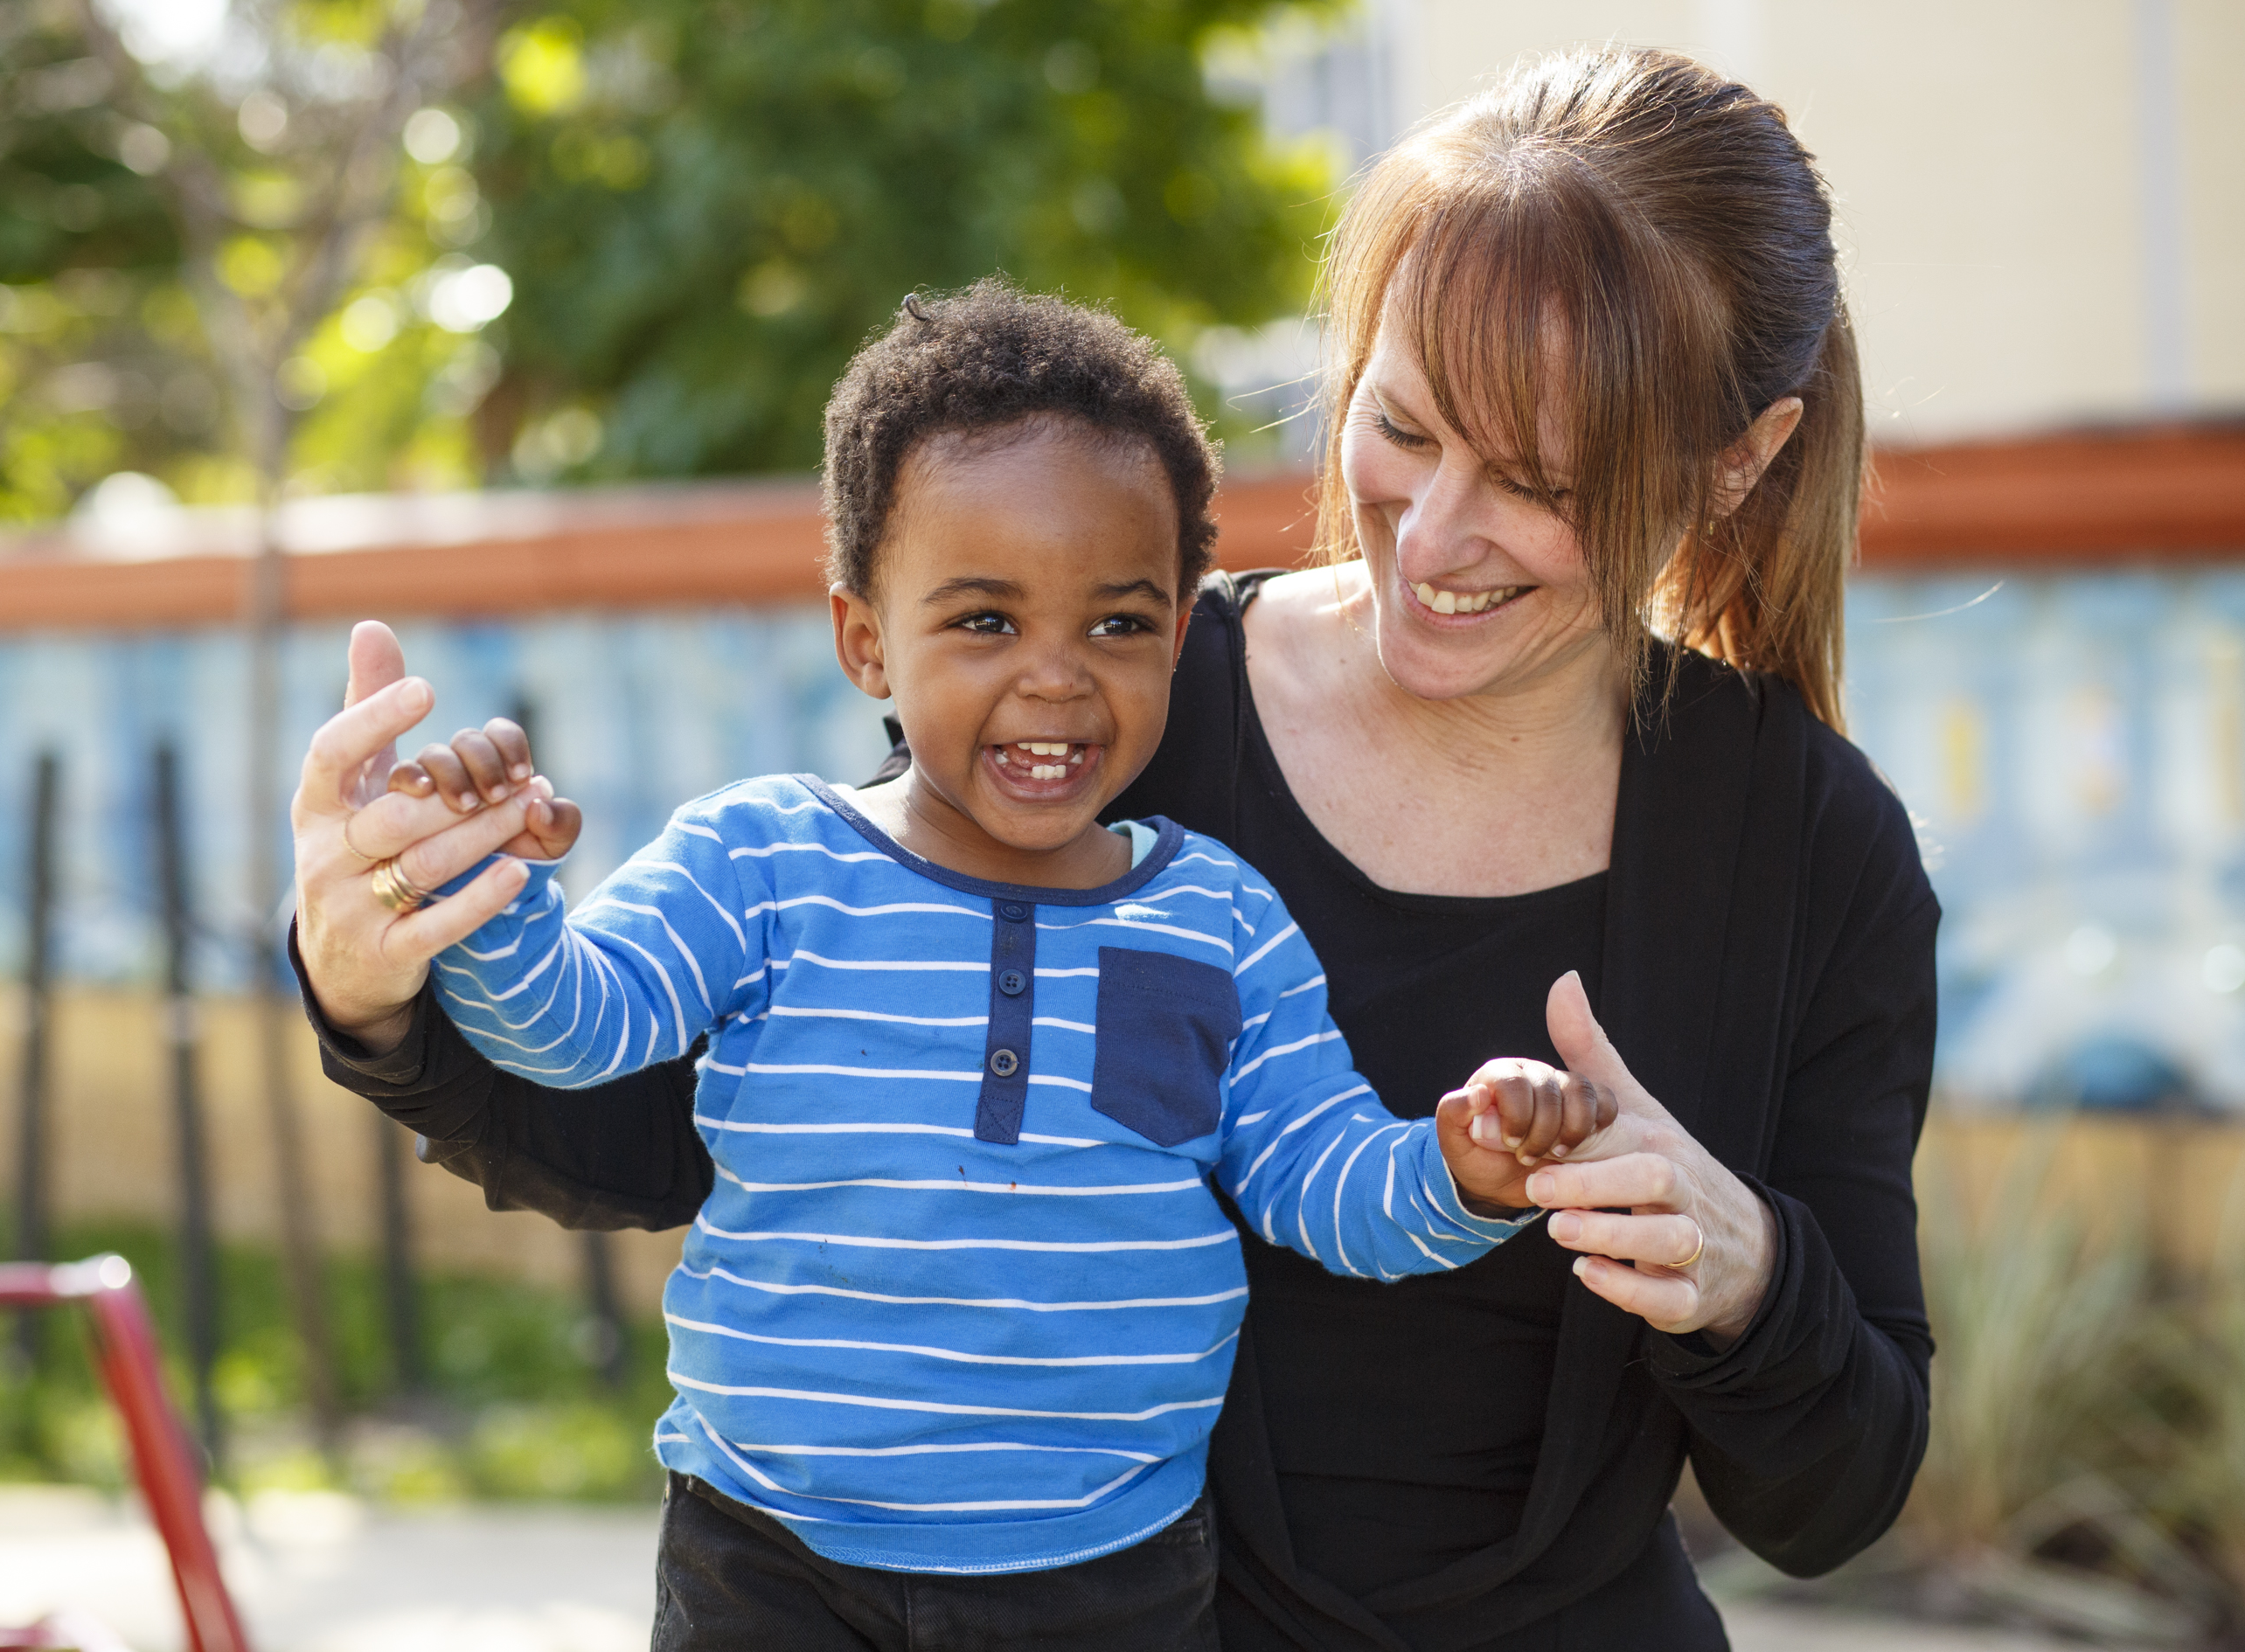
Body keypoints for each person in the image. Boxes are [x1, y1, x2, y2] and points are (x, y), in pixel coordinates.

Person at [294, 45, 1938, 1650]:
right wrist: (384, 980)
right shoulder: (1116, 700)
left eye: (1542, 480)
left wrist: (1744, 1269)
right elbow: (671, 1132)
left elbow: (1830, 1494)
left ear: (1738, 460)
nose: (1434, 537)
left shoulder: (1810, 854)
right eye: (1406, 427)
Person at [302, 283, 1615, 1650]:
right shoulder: (762, 862)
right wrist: (486, 882)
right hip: (774, 1557)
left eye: (1116, 624)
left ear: (1178, 635)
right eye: (985, 621)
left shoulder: (1219, 919)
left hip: (1110, 1575)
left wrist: (1462, 1165)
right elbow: (571, 1029)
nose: (1055, 678)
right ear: (865, 635)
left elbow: (1322, 1182)